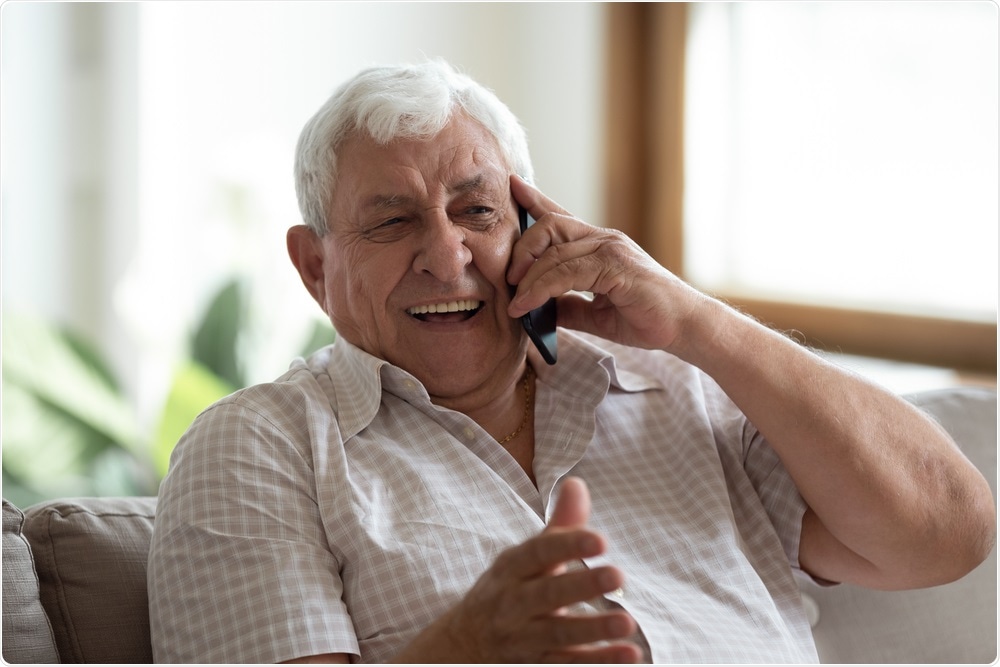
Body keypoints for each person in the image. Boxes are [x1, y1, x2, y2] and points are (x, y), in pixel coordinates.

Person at [147, 60, 995, 664]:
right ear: (315, 266)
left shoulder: (681, 389)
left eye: (477, 209)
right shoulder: (259, 447)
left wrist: (698, 321)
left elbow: (948, 533)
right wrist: (466, 651)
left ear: (532, 225)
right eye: (391, 221)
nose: (450, 258)